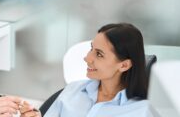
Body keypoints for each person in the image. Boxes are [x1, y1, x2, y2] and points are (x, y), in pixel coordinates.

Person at [22, 23, 155, 117]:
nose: (87, 58)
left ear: (124, 65)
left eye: (99, 54)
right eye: (91, 48)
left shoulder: (141, 111)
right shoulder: (73, 90)